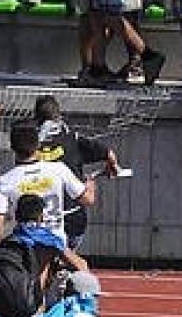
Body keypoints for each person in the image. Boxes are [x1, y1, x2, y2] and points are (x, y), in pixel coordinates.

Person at [32, 95, 119, 252]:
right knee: (68, 255)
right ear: (58, 115)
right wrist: (111, 167)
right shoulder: (72, 138)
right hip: (72, 218)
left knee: (42, 257)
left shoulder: (29, 144)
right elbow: (109, 154)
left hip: (40, 220)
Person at [0, 121, 93, 250]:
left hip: (25, 244)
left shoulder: (5, 181)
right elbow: (87, 199)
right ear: (38, 144)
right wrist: (90, 183)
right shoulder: (59, 169)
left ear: (12, 147)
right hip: (56, 243)